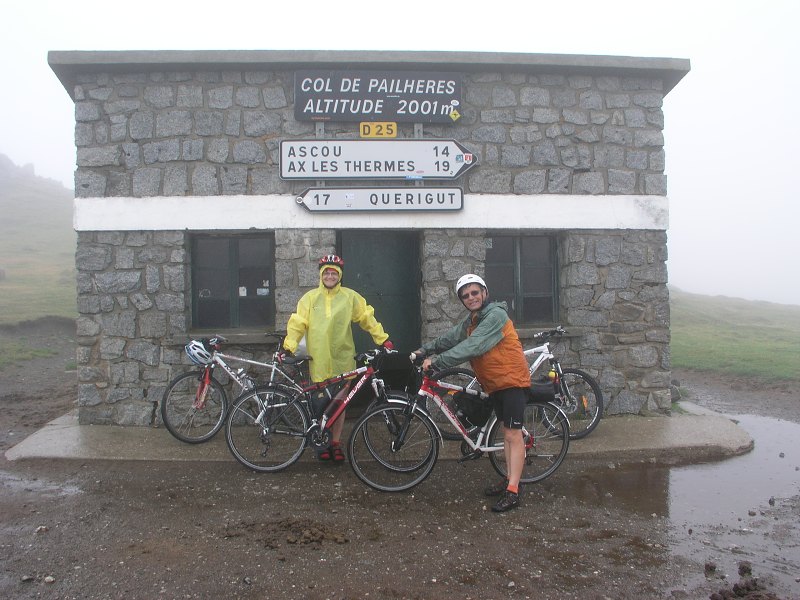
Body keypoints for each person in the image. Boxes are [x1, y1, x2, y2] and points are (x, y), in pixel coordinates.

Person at [414, 274, 531, 512]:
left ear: (485, 293)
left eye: (475, 292)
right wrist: (423, 350)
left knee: (512, 435)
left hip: (512, 382)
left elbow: (473, 346)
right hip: (495, 383)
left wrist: (438, 362)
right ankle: (509, 480)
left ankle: (513, 491)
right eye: (465, 296)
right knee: (507, 435)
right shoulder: (473, 320)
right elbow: (450, 338)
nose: (471, 298)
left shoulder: (496, 316)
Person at [282, 254, 393, 462]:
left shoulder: (350, 297)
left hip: (343, 358)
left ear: (339, 275)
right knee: (321, 404)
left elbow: (366, 317)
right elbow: (298, 323)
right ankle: (322, 442)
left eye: (334, 273)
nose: (330, 276)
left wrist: (382, 339)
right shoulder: (310, 298)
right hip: (319, 359)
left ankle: (335, 442)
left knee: (340, 403)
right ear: (321, 275)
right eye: (327, 273)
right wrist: (290, 345)